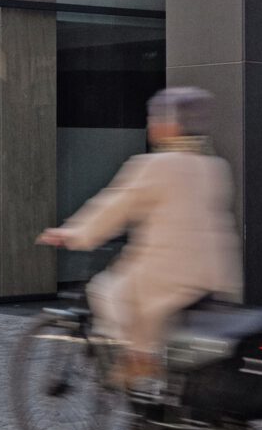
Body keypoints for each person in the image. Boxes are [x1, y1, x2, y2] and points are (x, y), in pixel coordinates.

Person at [39, 87, 241, 392]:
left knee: (105, 290)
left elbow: (113, 208)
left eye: (155, 119)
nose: (150, 125)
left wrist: (74, 234)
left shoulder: (154, 166)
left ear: (171, 125)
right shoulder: (214, 166)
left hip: (168, 271)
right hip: (214, 274)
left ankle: (140, 358)